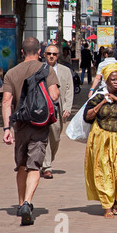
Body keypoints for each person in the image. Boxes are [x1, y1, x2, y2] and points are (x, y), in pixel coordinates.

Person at [1, 37, 60, 225]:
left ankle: (20, 204)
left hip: (20, 125)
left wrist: (6, 128)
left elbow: (6, 102)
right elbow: (54, 95)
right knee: (35, 165)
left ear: (22, 51)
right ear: (40, 52)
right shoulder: (46, 69)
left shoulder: (11, 72)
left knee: (21, 165)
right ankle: (28, 201)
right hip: (40, 124)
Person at [83, 63, 117, 218]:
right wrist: (103, 102)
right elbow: (87, 116)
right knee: (104, 172)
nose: (116, 82)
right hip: (100, 138)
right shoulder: (98, 97)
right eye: (112, 79)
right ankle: (107, 205)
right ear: (106, 81)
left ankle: (114, 197)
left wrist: (116, 99)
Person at [41, 45, 74, 179]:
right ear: (44, 55)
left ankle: (49, 159)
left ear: (58, 56)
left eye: (54, 54)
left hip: (57, 109)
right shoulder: (39, 69)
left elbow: (69, 90)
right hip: (42, 109)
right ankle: (46, 166)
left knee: (55, 137)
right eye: (49, 53)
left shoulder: (65, 71)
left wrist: (67, 107)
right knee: (44, 137)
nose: (51, 56)